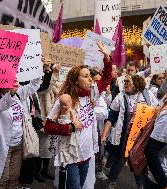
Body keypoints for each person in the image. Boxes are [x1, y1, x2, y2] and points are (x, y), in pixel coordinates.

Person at [44, 41, 112, 189]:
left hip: (86, 156)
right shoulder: (65, 99)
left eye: (90, 76)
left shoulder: (91, 94)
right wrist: (71, 128)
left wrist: (107, 58)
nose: (90, 79)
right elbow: (48, 126)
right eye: (86, 76)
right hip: (70, 158)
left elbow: (106, 79)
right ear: (75, 81)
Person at [0, 62, 53, 189]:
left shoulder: (19, 94)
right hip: (2, 147)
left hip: (18, 145)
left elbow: (34, 85)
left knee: (13, 179)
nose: (15, 79)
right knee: (2, 180)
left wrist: (38, 67)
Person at [101, 74, 158, 189]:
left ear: (136, 84)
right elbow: (111, 117)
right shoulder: (120, 97)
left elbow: (157, 109)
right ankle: (111, 181)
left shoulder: (147, 95)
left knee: (139, 162)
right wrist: (104, 135)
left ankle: (140, 186)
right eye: (124, 81)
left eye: (128, 81)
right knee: (121, 159)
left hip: (142, 136)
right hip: (125, 136)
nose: (125, 83)